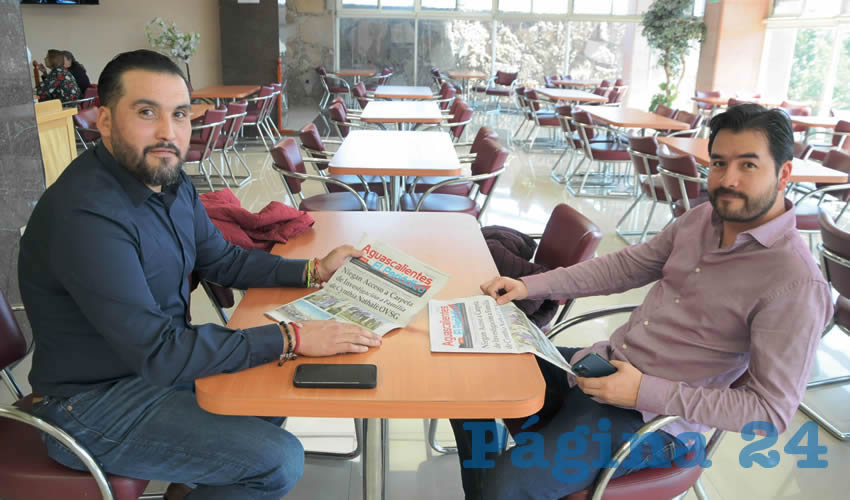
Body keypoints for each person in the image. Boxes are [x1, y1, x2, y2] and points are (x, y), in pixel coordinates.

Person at [19, 49, 382, 500]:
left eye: (180, 115)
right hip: (90, 405)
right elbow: (161, 352)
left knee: (270, 390)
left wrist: (313, 270)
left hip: (150, 371)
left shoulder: (168, 180)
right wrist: (293, 337)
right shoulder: (87, 215)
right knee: (278, 459)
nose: (167, 133)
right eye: (146, 112)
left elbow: (225, 260)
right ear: (106, 121)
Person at [450, 103, 833, 499]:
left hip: (655, 421)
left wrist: (643, 391)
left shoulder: (795, 284)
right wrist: (530, 286)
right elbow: (625, 266)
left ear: (784, 173)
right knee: (470, 371)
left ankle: (506, 482)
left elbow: (770, 414)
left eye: (748, 165)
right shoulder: (700, 219)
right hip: (601, 367)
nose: (727, 179)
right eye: (719, 163)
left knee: (503, 483)